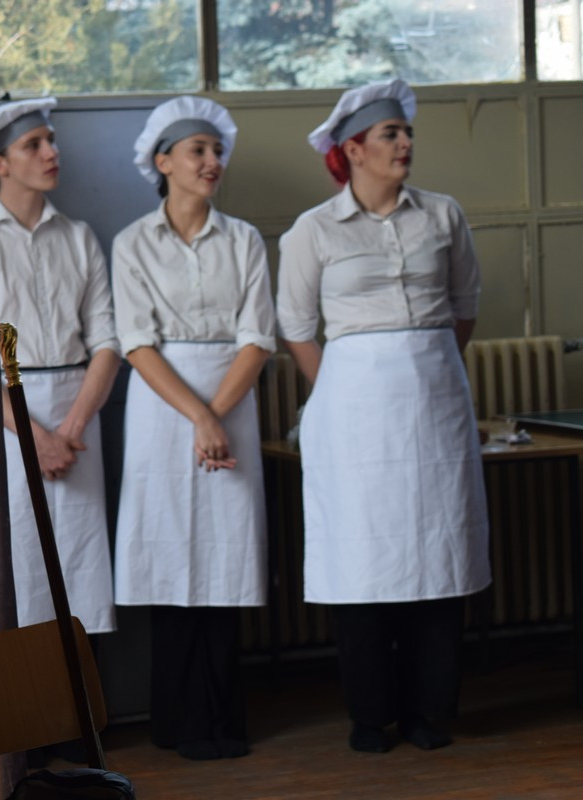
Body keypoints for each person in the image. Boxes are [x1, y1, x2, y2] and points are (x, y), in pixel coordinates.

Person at [277, 78, 491, 754]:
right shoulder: (313, 229)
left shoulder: (443, 215)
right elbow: (295, 326)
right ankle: (370, 715)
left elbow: (464, 306)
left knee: (439, 552)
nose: (405, 143)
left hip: (435, 406)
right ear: (353, 149)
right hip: (352, 416)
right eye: (390, 133)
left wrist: (424, 363)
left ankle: (431, 711)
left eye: (407, 133)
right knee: (362, 558)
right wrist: (340, 386)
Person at [111, 96, 275, 760]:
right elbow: (136, 342)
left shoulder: (244, 240)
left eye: (216, 150)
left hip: (234, 395)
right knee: (168, 550)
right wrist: (201, 415)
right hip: (163, 408)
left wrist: (219, 412)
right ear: (163, 163)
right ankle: (176, 722)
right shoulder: (132, 243)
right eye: (197, 150)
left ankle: (224, 721)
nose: (212, 161)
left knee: (226, 554)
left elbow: (257, 337)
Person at [0, 98, 120, 636]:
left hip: (78, 413)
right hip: (8, 421)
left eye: (51, 141)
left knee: (81, 565)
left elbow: (106, 342)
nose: (50, 152)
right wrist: (37, 439)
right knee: (22, 560)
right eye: (33, 145)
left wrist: (72, 429)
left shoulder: (79, 236)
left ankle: (86, 689)